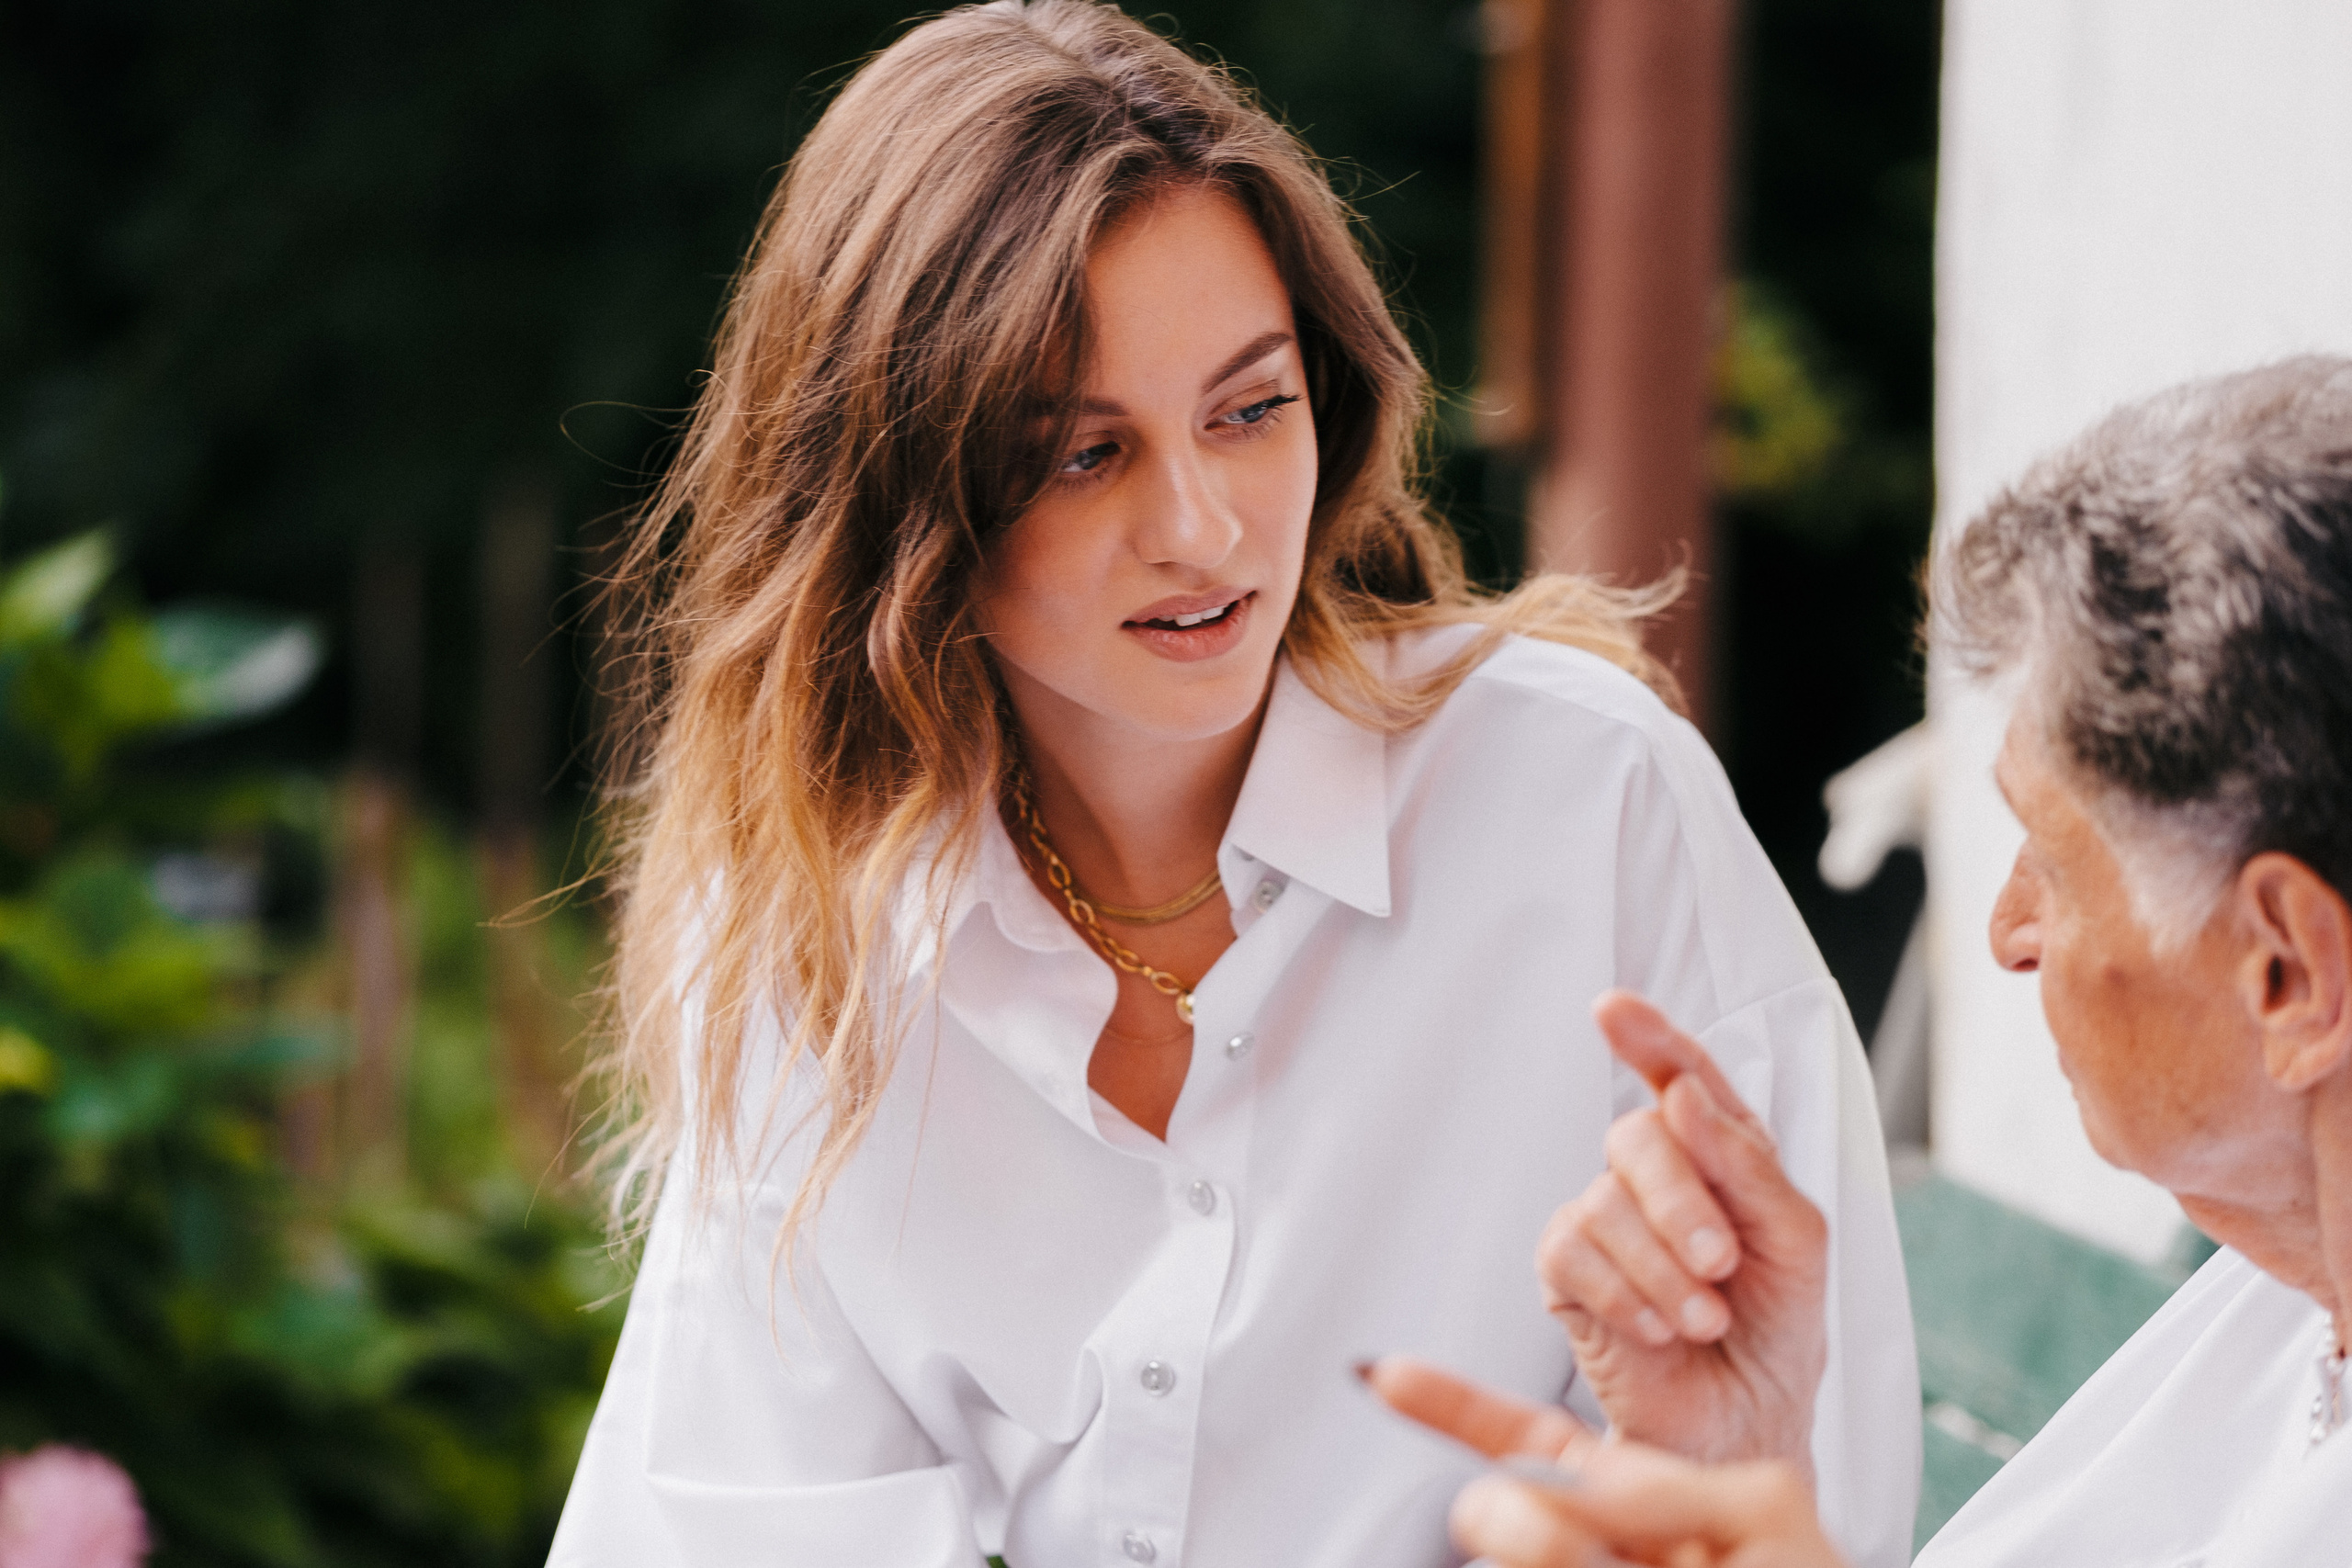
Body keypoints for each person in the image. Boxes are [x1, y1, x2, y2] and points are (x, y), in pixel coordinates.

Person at [547, 5, 1917, 1565]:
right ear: (901, 504)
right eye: (1082, 454)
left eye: (1249, 410)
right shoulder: (807, 933)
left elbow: (1812, 1504)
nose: (1201, 528)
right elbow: (736, 1522)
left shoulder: (1592, 807)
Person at [1370, 355, 2352, 1566]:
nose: (2007, 932)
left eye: (2049, 854)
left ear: (2290, 972)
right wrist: (1741, 1455)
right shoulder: (2286, 1305)